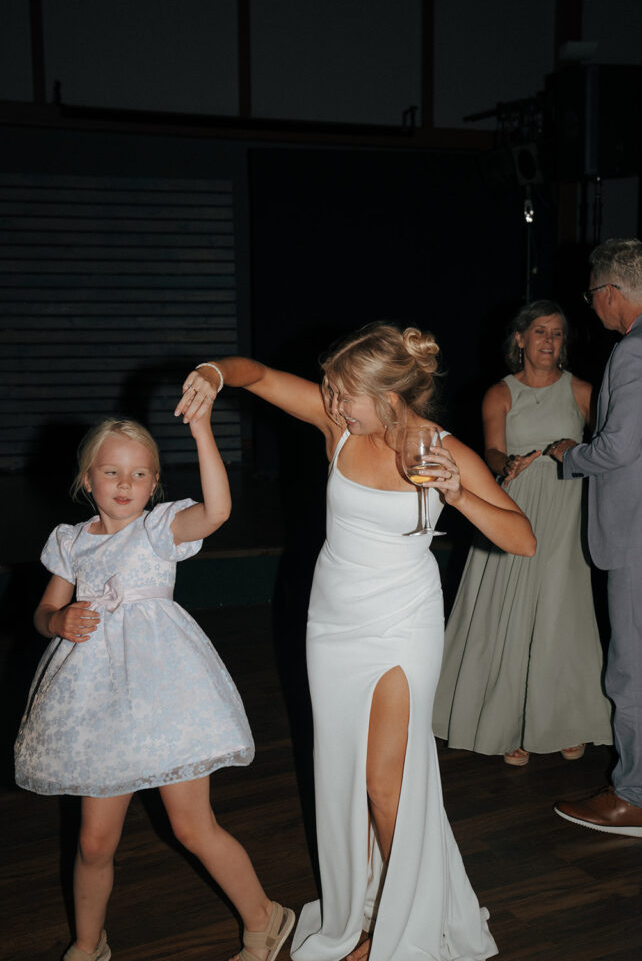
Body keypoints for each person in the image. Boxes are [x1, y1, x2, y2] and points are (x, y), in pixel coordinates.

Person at [179, 324, 536, 961]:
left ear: (390, 395)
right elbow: (253, 375)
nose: (335, 403)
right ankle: (366, 908)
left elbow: (522, 538)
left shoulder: (440, 447)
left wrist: (457, 493)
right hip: (334, 619)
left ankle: (402, 933)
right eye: (332, 393)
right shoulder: (338, 427)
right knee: (343, 773)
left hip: (404, 620)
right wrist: (212, 371)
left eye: (347, 394)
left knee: (383, 784)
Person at [14, 406, 294, 961]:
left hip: (166, 696)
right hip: (96, 699)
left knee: (192, 826)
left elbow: (218, 510)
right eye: (111, 472)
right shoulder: (72, 541)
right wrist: (57, 620)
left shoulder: (158, 528)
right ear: (86, 478)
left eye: (140, 473)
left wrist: (201, 430)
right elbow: (44, 610)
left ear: (156, 482)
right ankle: (89, 944)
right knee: (94, 842)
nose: (125, 484)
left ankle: (266, 918)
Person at [433, 301, 612, 765]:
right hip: (512, 507)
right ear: (520, 339)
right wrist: (504, 464)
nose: (549, 341)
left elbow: (609, 451)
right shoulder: (500, 393)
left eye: (556, 333)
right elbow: (491, 451)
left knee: (560, 613)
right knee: (504, 611)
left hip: (565, 510)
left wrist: (576, 449)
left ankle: (564, 721)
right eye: (539, 332)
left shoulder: (582, 391)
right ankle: (505, 722)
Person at [547, 238, 642, 838]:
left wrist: (573, 455)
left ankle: (637, 799)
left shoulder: (636, 350)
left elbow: (619, 447)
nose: (592, 307)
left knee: (635, 671)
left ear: (612, 294)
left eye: (593, 296)